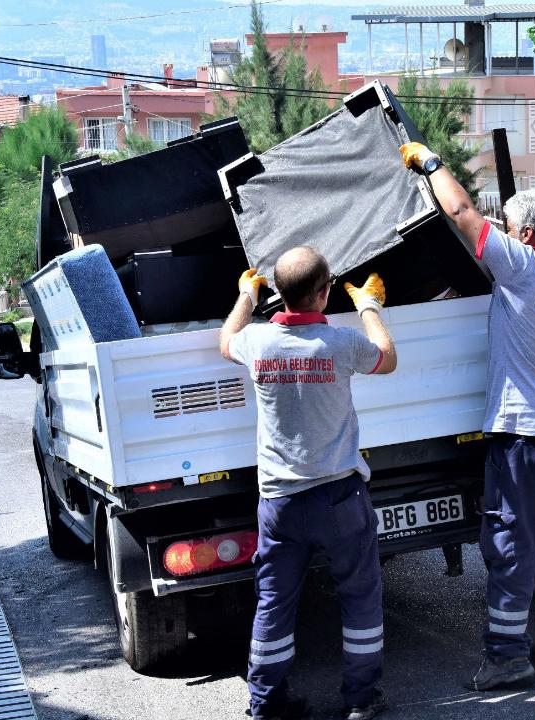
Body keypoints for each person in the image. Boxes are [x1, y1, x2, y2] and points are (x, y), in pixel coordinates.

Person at [400, 143, 535, 691]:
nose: (502, 234)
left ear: (528, 237)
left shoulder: (524, 269)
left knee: (512, 546)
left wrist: (433, 165)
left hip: (529, 438)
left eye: (508, 228)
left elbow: (462, 216)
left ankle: (508, 656)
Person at [219, 248, 397, 720]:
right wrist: (368, 307)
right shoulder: (340, 344)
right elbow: (387, 358)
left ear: (277, 292)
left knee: (275, 602)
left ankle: (267, 703)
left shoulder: (258, 343)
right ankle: (361, 699)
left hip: (280, 502)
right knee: (359, 596)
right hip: (340, 496)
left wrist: (244, 295)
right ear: (324, 293)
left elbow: (225, 340)